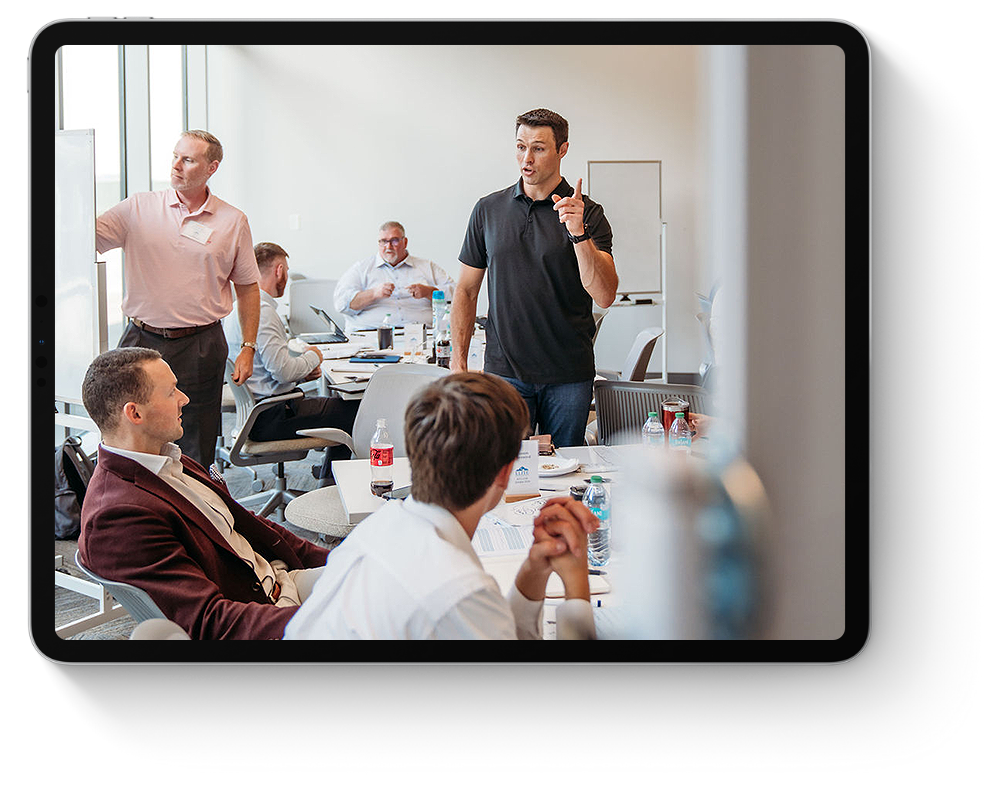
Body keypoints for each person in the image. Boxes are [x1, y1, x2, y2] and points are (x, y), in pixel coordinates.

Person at [284, 372, 598, 640]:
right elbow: (472, 613)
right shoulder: (461, 593)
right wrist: (577, 590)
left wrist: (533, 571)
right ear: (505, 472)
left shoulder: (381, 526)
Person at [77, 348, 330, 640]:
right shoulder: (119, 516)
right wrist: (327, 617)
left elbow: (249, 525)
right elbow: (210, 621)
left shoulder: (169, 458)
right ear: (135, 413)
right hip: (267, 617)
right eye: (171, 392)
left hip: (281, 582)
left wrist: (339, 559)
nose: (184, 398)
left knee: (372, 577)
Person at [450, 108, 618, 449]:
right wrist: (459, 361)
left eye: (538, 148)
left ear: (562, 150)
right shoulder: (488, 210)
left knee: (568, 466)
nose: (526, 158)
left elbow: (604, 295)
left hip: (568, 374)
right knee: (503, 467)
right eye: (520, 146)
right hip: (504, 371)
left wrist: (578, 233)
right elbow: (466, 291)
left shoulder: (588, 213)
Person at [96, 130, 260, 470]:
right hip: (140, 339)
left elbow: (247, 287)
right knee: (126, 432)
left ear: (211, 167)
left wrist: (248, 347)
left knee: (195, 439)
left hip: (201, 343)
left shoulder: (233, 221)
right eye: (175, 156)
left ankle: (191, 501)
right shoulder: (138, 207)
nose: (176, 165)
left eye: (188, 160)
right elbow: (82, 240)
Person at [226, 241, 360, 480]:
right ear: (279, 271)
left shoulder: (238, 308)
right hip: (271, 416)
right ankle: (332, 482)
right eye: (286, 270)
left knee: (335, 404)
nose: (286, 277)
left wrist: (302, 372)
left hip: (258, 412)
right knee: (355, 409)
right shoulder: (262, 312)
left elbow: (270, 368)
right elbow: (283, 372)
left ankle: (328, 472)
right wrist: (313, 356)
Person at [333, 221, 456, 332]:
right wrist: (373, 294)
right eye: (383, 241)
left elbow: (457, 294)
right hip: (369, 335)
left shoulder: (427, 267)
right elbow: (341, 304)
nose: (388, 246)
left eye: (394, 240)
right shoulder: (361, 268)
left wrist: (429, 292)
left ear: (405, 242)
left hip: (421, 335)